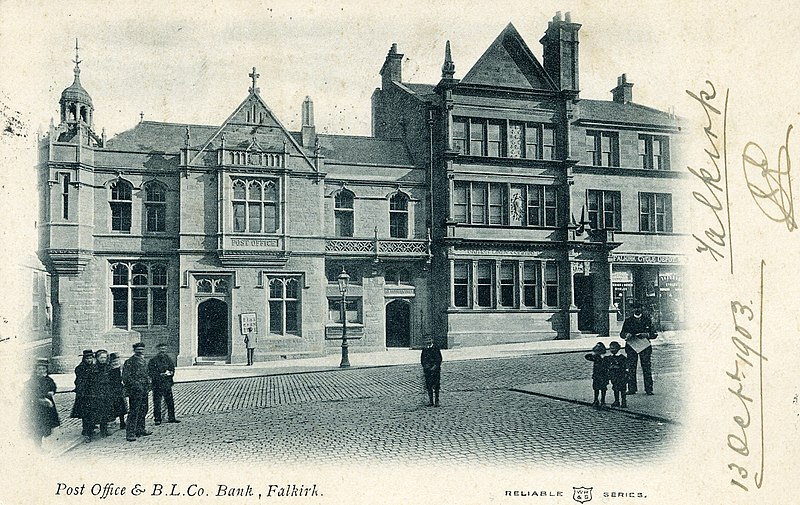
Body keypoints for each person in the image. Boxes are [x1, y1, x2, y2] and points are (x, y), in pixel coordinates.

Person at [620, 302, 657, 395]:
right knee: (631, 368)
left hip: (644, 346)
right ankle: (632, 388)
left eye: (639, 308)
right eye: (635, 308)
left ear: (642, 309)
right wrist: (626, 335)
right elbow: (622, 333)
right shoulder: (628, 321)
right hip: (632, 346)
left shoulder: (647, 320)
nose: (637, 310)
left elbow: (654, 334)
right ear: (632, 310)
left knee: (647, 368)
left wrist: (646, 334)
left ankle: (649, 389)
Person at [26, 358, 60, 446]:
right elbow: (32, 392)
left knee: (45, 425)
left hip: (47, 407)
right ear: (36, 370)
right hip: (36, 407)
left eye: (43, 369)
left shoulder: (48, 379)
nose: (41, 371)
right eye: (39, 369)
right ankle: (37, 446)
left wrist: (53, 391)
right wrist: (45, 394)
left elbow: (53, 386)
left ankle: (39, 445)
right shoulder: (32, 381)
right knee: (38, 427)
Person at [122, 342, 152, 441]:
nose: (140, 351)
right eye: (138, 349)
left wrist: (148, 383)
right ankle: (130, 433)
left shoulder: (144, 361)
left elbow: (147, 374)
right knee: (134, 411)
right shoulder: (129, 362)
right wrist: (136, 385)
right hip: (135, 391)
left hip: (144, 390)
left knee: (144, 409)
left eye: (142, 349)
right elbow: (126, 377)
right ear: (134, 350)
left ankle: (141, 429)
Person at [148, 343, 180, 425]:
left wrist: (171, 373)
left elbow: (172, 368)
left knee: (170, 401)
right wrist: (159, 375)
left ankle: (171, 417)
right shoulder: (153, 360)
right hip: (157, 384)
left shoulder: (168, 359)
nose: (163, 350)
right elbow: (150, 372)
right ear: (158, 350)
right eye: (161, 349)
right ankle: (157, 419)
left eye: (164, 349)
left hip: (167, 383)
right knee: (157, 402)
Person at [70, 349, 95, 442]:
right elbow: (79, 381)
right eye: (87, 358)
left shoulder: (94, 367)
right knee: (86, 413)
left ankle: (91, 427)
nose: (89, 360)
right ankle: (86, 431)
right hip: (84, 394)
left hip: (93, 393)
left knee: (92, 411)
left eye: (90, 358)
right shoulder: (80, 368)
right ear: (84, 359)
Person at [89, 350, 115, 436]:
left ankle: (104, 430)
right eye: (101, 358)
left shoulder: (109, 367)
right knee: (98, 411)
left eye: (105, 357)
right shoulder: (93, 368)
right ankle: (93, 430)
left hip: (107, 391)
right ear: (97, 358)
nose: (103, 359)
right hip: (97, 392)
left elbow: (112, 379)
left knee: (106, 411)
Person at [584, 342, 608, 407]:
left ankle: (603, 400)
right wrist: (593, 354)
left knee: (603, 389)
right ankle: (596, 400)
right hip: (596, 375)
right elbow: (587, 356)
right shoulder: (595, 357)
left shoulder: (605, 358)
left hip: (603, 375)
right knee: (596, 388)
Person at [420, 338, 442, 407]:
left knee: (436, 386)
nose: (428, 342)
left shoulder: (436, 348)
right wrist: (426, 367)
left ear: (432, 340)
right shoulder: (424, 349)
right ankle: (431, 401)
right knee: (428, 386)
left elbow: (439, 359)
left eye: (429, 340)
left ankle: (437, 401)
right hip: (427, 371)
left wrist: (435, 367)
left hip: (435, 370)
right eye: (426, 340)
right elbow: (422, 360)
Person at [606, 341, 628, 408]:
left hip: (621, 375)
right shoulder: (610, 357)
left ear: (618, 349)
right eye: (610, 348)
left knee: (622, 389)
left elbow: (625, 366)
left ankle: (624, 401)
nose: (611, 350)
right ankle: (616, 401)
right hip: (614, 376)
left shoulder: (622, 357)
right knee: (615, 388)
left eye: (613, 348)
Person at [109, 352, 128, 429]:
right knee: (114, 405)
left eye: (117, 360)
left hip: (119, 388)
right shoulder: (110, 369)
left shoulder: (121, 367)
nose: (115, 362)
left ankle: (122, 422)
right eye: (114, 361)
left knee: (121, 406)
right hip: (112, 389)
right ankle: (113, 422)